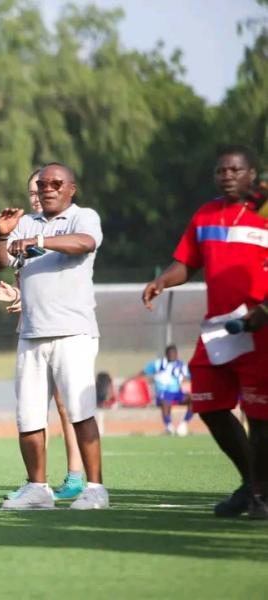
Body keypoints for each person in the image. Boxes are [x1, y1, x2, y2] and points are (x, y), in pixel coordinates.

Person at [143, 145, 267, 519]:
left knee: (261, 417)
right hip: (220, 329)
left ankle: (260, 495)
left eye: (235, 169)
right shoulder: (206, 214)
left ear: (252, 174)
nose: (227, 175)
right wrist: (163, 280)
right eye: (220, 170)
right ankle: (252, 485)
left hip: (260, 327)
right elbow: (187, 262)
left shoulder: (265, 214)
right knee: (209, 405)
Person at [0, 162, 108, 510]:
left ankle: (96, 488)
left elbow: (85, 243)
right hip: (31, 333)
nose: (48, 189)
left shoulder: (83, 216)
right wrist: (1, 235)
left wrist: (39, 241)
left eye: (57, 183)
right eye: (42, 184)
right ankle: (38, 488)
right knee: (28, 416)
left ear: (72, 188)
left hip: (73, 331)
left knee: (80, 412)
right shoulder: (24, 222)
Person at [140, 344, 193, 436]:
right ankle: (169, 426)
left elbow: (191, 376)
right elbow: (143, 372)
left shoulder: (181, 366)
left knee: (194, 399)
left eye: (174, 353)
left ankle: (184, 424)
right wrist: (128, 380)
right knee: (165, 401)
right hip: (163, 393)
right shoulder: (158, 364)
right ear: (166, 354)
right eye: (170, 353)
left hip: (177, 393)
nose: (173, 355)